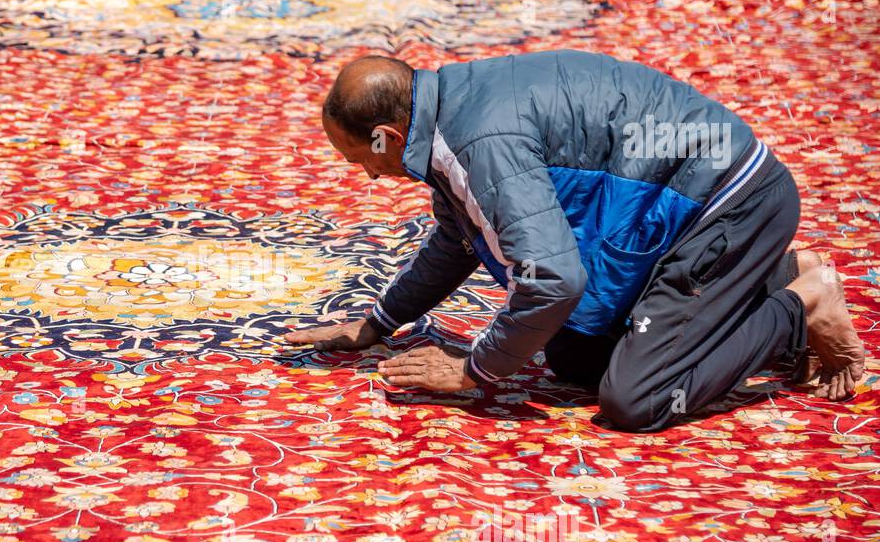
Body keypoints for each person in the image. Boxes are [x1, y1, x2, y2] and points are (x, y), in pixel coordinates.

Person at [284, 51, 866, 431]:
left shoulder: (479, 141)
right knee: (572, 354)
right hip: (677, 212)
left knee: (635, 401)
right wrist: (380, 321)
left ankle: (800, 303)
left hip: (729, 205)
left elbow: (555, 278)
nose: (366, 174)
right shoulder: (445, 110)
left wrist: (476, 371)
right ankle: (772, 274)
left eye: (359, 157)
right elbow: (458, 240)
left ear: (386, 136)